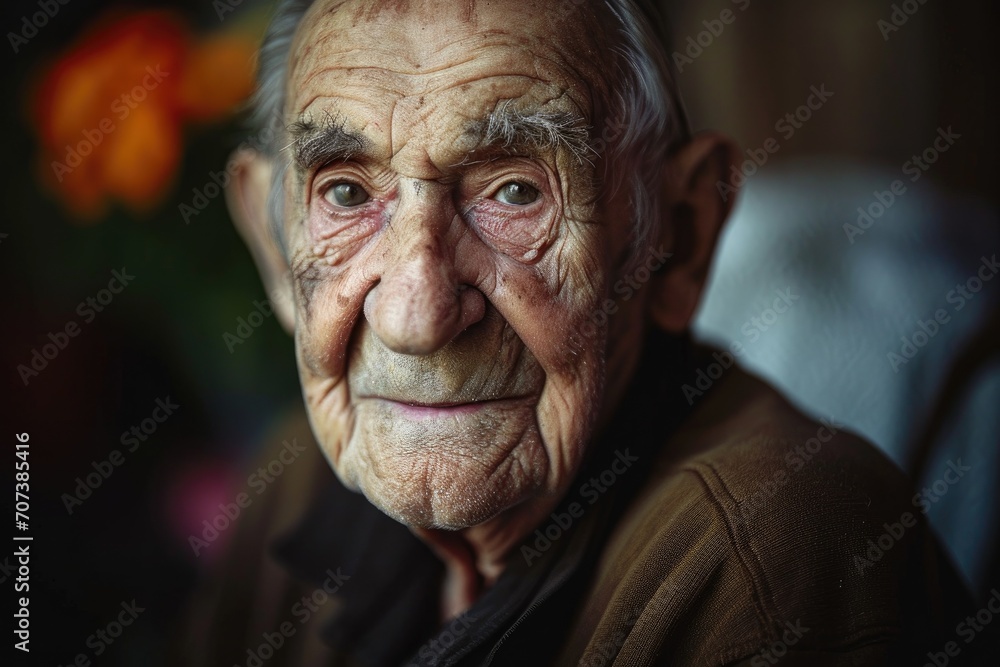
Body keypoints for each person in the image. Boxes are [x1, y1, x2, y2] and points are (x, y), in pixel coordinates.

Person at [181, 0, 976, 664]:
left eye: (516, 190)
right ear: (277, 247)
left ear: (680, 235)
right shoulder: (297, 474)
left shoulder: (772, 558)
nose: (415, 318)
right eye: (348, 194)